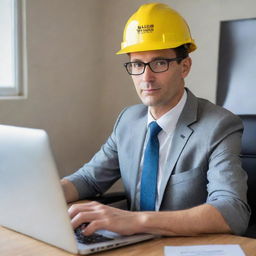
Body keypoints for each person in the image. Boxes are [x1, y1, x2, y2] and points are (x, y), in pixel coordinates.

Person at [61, 3, 250, 237]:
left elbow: (233, 211)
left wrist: (135, 220)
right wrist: (44, 194)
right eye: (137, 64)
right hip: (133, 245)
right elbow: (89, 179)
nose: (146, 78)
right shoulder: (127, 120)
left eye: (160, 63)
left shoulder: (219, 125)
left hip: (183, 248)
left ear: (185, 66)